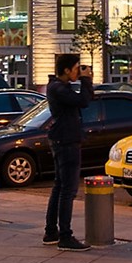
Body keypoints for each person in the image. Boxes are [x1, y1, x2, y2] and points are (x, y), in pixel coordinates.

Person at [43, 55, 93, 251]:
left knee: (59, 187)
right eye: (75, 68)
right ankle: (65, 236)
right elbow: (84, 101)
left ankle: (51, 232)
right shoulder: (58, 88)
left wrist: (83, 81)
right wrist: (87, 80)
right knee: (67, 190)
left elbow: (84, 99)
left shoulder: (58, 87)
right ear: (65, 70)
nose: (77, 72)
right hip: (66, 140)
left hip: (63, 138)